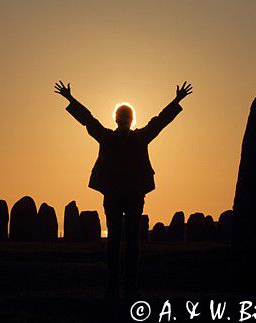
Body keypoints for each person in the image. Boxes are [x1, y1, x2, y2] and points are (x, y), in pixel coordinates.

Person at [54, 80, 192, 298]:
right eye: (123, 117)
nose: (124, 121)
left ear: (123, 119)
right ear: (121, 120)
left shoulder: (122, 137)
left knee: (127, 242)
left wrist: (176, 101)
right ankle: (117, 287)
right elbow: (88, 120)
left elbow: (160, 121)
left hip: (128, 195)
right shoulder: (123, 137)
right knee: (117, 241)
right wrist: (71, 100)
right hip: (120, 195)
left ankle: (126, 286)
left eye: (125, 117)